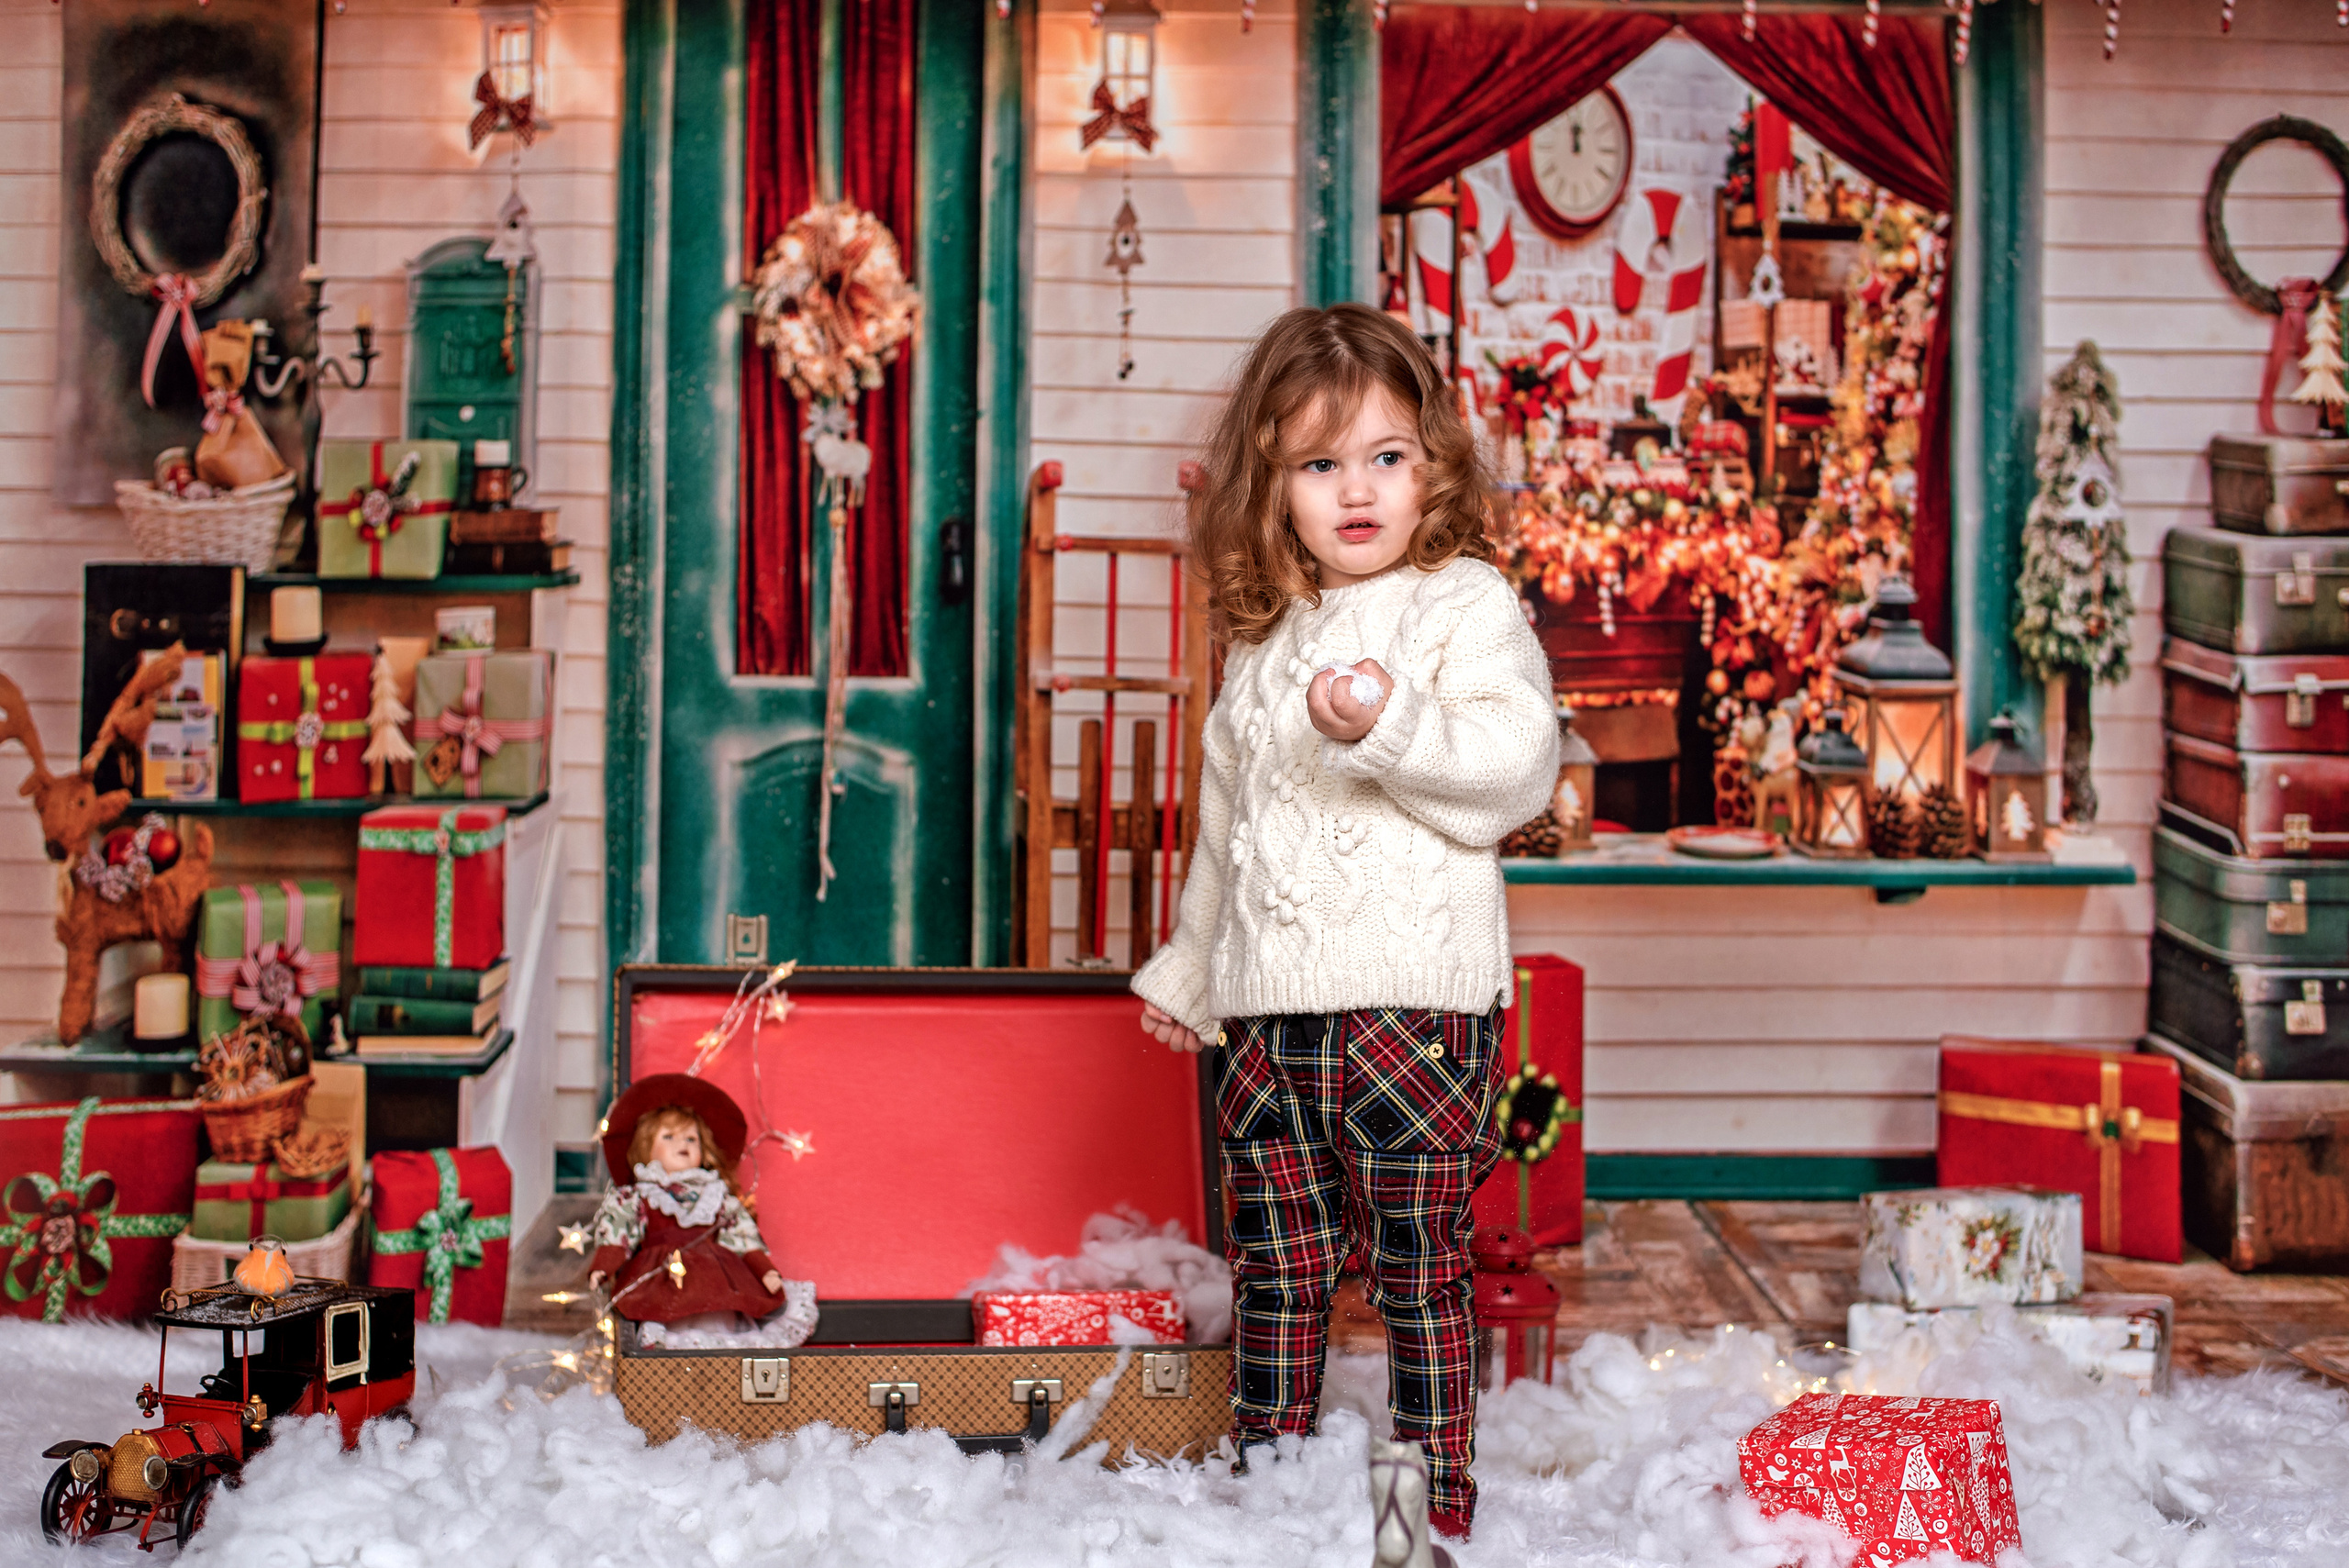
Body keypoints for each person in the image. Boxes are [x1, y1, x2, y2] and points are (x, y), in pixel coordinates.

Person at [1132, 303, 1558, 1544]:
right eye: (1320, 465)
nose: (1356, 490)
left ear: (1435, 465)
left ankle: (1418, 1517)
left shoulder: (1463, 604)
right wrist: (1190, 965)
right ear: (1273, 489)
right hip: (1267, 1024)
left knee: (1419, 1271)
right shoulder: (1266, 644)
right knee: (1277, 1269)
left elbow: (1514, 768)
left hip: (1412, 1013)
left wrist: (1387, 728)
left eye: (1386, 457)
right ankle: (1273, 1491)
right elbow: (1231, 828)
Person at [588, 1073, 789, 1326]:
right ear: (645, 1148)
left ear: (704, 1152)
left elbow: (743, 1237)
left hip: (715, 1278)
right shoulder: (640, 1195)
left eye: (691, 1139)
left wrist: (765, 1271)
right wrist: (603, 1267)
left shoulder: (716, 1195)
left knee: (720, 1319)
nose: (682, 1143)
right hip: (660, 1275)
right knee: (665, 1319)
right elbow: (620, 1231)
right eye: (669, 1137)